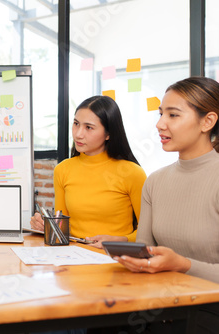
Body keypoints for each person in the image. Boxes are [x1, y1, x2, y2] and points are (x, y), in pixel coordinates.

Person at [115, 77, 219, 333]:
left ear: (208, 121)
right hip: (160, 307)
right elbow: (145, 253)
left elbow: (177, 264)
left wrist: (183, 264)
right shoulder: (155, 182)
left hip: (210, 309)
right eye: (161, 114)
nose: (160, 124)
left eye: (173, 115)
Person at [30, 96, 146, 248]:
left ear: (108, 134)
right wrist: (44, 227)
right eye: (76, 124)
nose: (78, 134)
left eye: (89, 127)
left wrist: (121, 239)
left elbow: (147, 233)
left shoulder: (132, 173)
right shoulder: (63, 170)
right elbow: (62, 228)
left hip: (114, 259)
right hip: (73, 258)